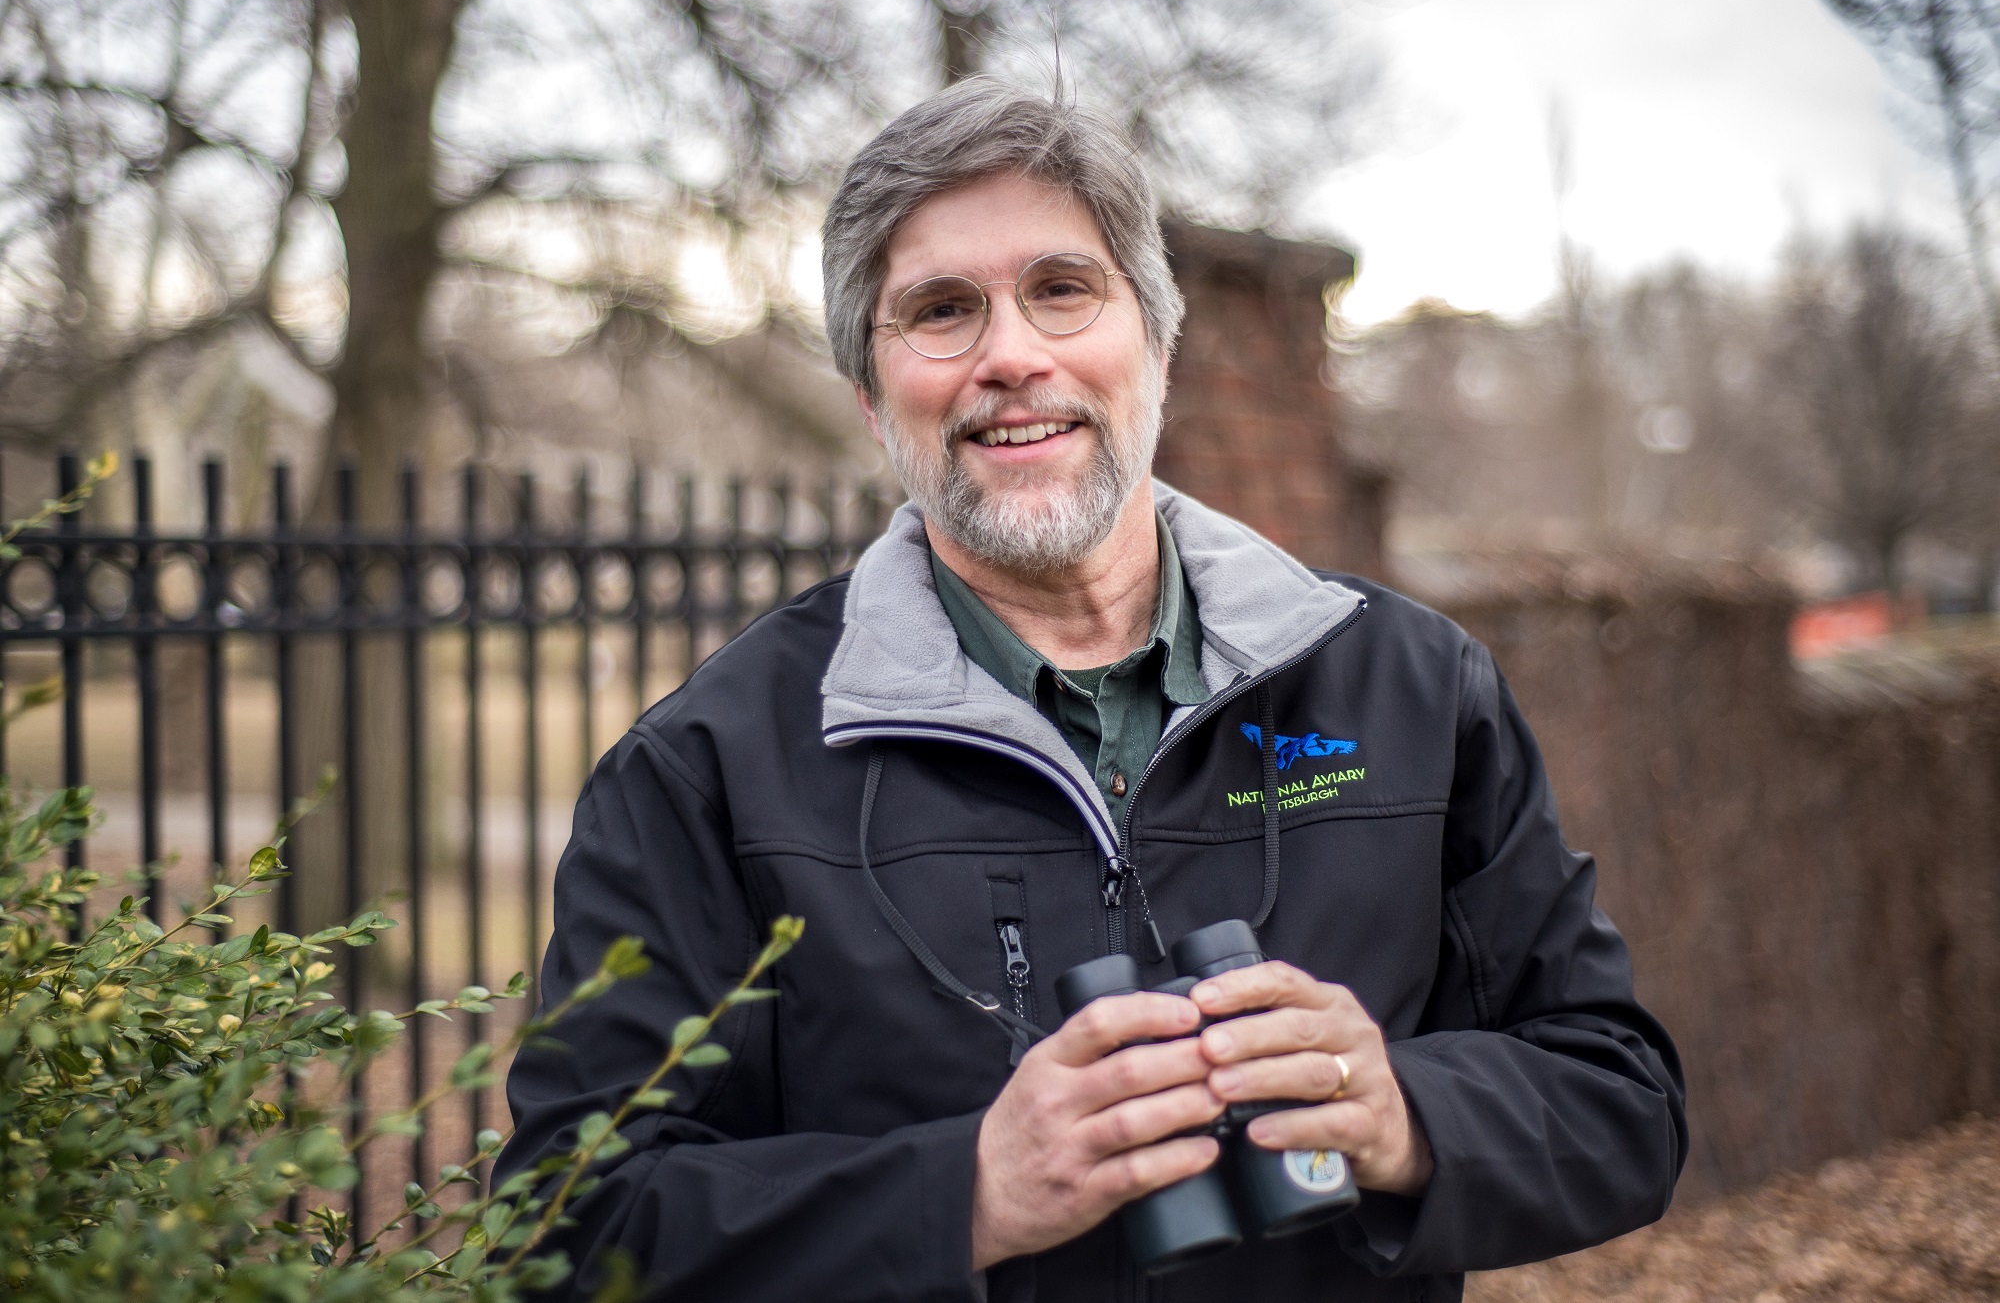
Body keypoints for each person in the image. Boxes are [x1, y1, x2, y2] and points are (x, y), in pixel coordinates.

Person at [496, 76, 1687, 1303]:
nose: (1011, 355)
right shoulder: (708, 767)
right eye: (941, 310)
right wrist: (961, 1193)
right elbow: (569, 1229)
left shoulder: (1411, 689)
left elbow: (1619, 1100)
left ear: (1156, 349)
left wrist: (1402, 1111)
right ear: (868, 393)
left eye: (1061, 289)